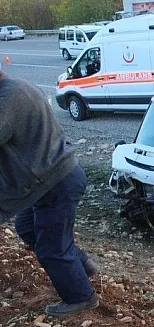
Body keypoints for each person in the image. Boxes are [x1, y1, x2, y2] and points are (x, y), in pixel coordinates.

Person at [0, 64, 100, 318]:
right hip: (50, 179)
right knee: (27, 227)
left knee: (52, 248)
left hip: (55, 181)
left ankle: (81, 297)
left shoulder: (8, 99)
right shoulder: (17, 87)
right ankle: (81, 264)